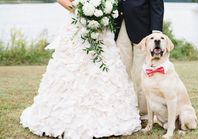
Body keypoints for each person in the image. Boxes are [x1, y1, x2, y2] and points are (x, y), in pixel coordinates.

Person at [20, 0, 141, 138]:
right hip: (77, 25)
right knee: (73, 66)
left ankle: (109, 115)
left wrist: (103, 10)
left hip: (102, 27)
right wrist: (80, 9)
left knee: (105, 67)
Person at [115, 0, 164, 115]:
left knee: (141, 74)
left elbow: (157, 5)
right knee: (120, 72)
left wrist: (156, 33)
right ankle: (122, 112)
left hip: (143, 29)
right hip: (119, 26)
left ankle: (145, 114)